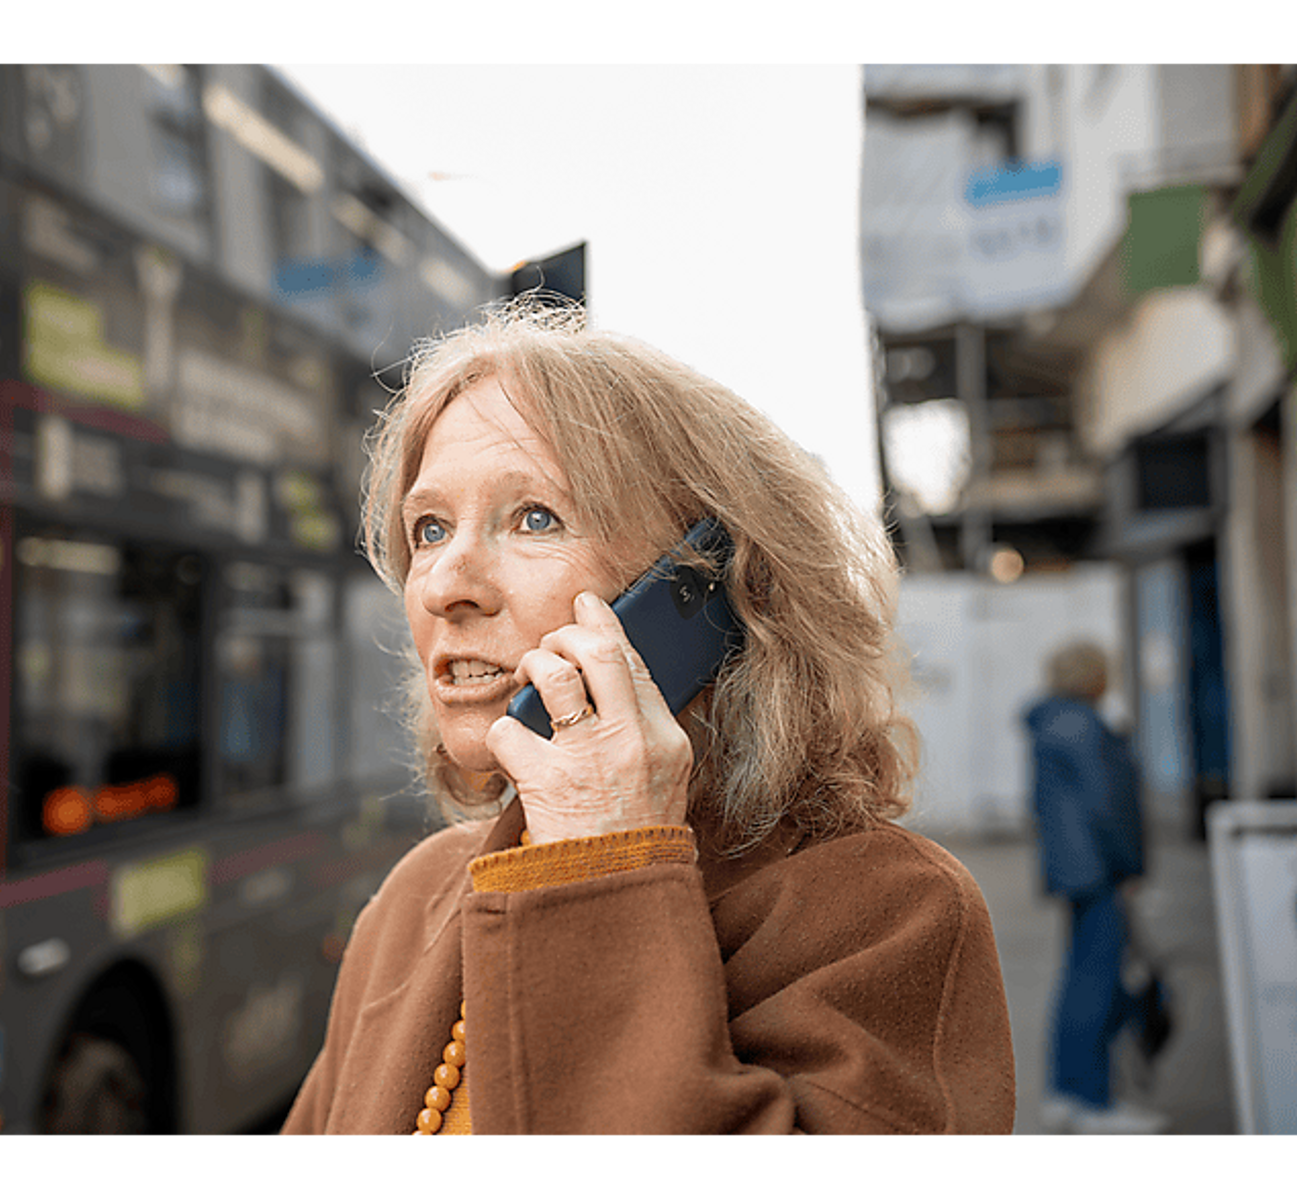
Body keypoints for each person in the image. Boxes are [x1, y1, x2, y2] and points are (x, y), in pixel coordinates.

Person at [283, 301, 1015, 1138]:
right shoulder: (418, 895)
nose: (446, 583)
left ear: (705, 598)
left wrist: (601, 868)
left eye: (534, 518)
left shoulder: (888, 913)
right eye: (430, 527)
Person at [1025, 642, 1169, 1137]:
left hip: (1071, 869)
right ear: (1095, 677)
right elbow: (1110, 807)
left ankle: (1065, 1094)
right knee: (1099, 984)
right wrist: (1130, 867)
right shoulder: (1087, 728)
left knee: (1078, 980)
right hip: (1101, 870)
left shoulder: (1049, 724)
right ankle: (1093, 1102)